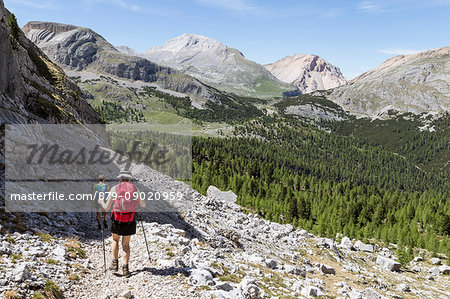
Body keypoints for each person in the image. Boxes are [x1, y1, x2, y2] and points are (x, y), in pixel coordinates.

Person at [99, 169, 145, 278]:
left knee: (115, 240)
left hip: (117, 219)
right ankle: (126, 268)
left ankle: (114, 264)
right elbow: (143, 204)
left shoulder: (115, 188)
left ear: (120, 178)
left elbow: (107, 207)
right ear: (129, 178)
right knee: (126, 244)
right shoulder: (135, 189)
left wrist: (101, 202)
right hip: (129, 219)